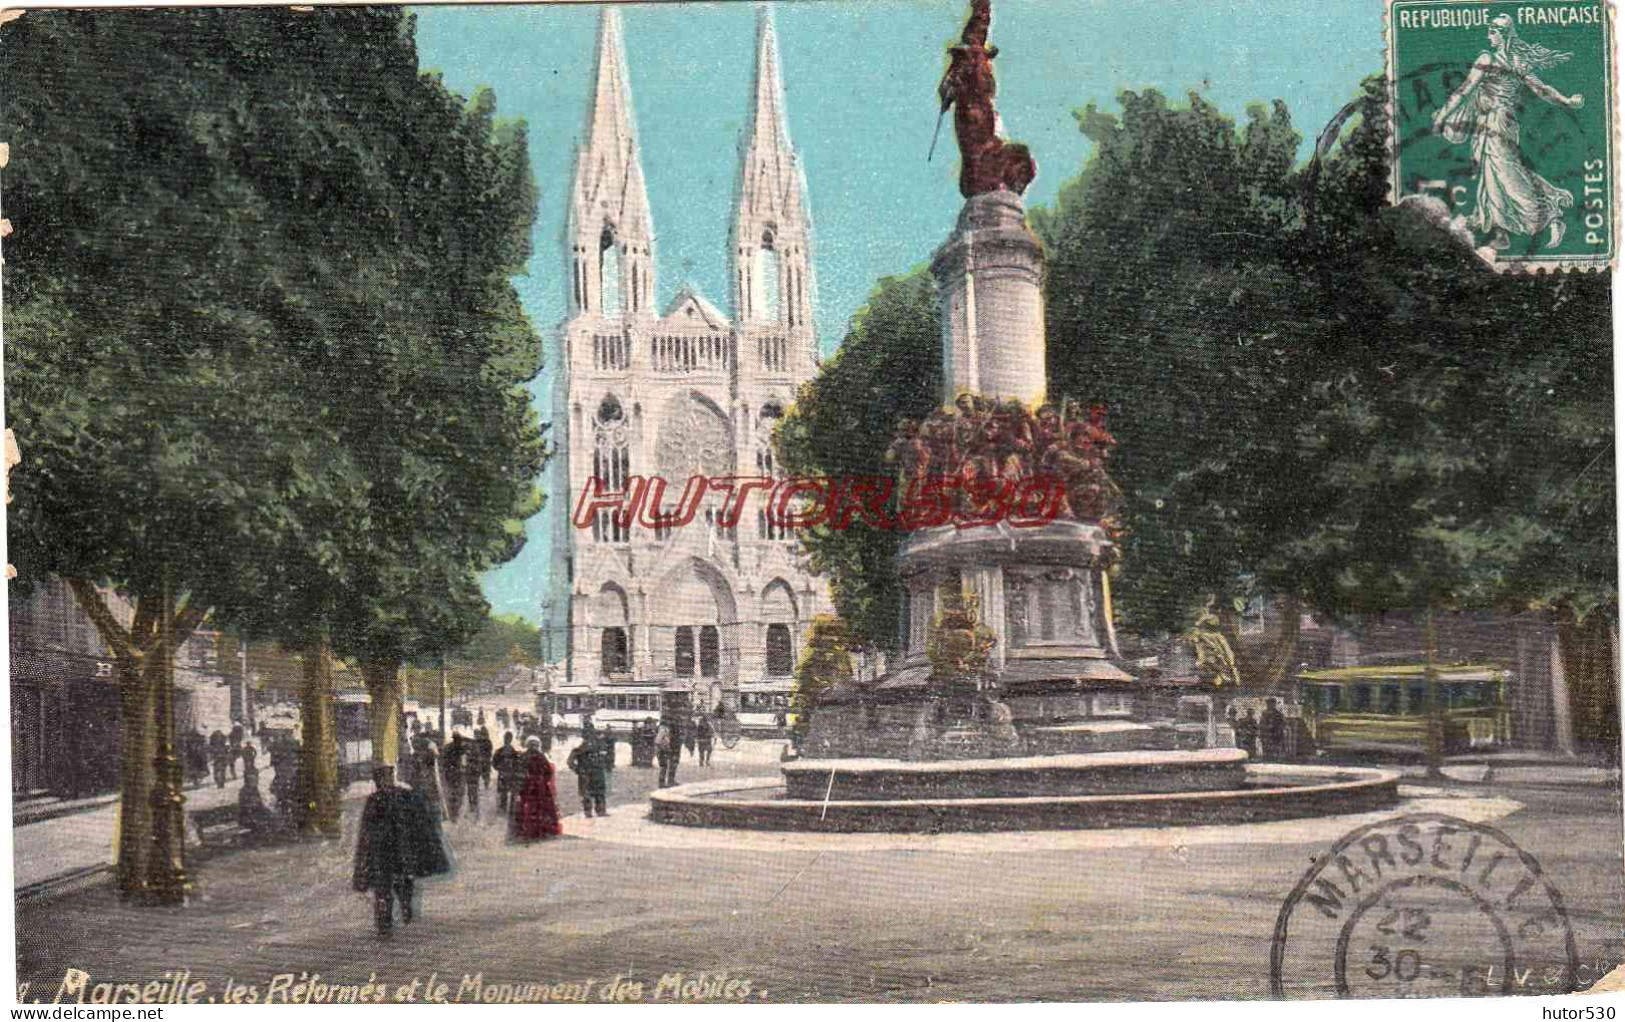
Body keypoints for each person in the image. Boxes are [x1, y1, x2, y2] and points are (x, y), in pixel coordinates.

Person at [1432, 13, 1584, 251]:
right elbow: (1543, 90)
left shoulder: (1489, 59)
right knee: (1493, 174)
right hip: (1496, 123)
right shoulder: (1517, 62)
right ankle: (1498, 230)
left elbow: (1464, 90)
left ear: (1502, 35)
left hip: (1497, 124)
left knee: (1507, 175)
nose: (1488, 36)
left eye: (1492, 32)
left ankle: (1551, 215)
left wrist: (1441, 116)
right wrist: (1566, 100)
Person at [352, 766, 452, 936]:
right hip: (385, 850)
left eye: (386, 778)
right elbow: (366, 830)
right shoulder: (381, 799)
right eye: (382, 779)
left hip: (396, 849)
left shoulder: (402, 796)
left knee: (401, 883)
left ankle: (402, 909)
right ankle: (385, 921)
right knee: (385, 887)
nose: (384, 782)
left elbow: (417, 819)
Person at [510, 737, 563, 843]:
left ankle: (526, 831)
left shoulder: (524, 756)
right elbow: (548, 771)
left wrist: (521, 784)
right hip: (540, 787)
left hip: (528, 786)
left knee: (527, 808)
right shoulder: (541, 757)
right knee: (542, 808)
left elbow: (518, 772)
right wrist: (543, 781)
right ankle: (540, 830)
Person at [566, 730, 608, 818]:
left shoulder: (582, 747)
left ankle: (593, 811)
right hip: (592, 773)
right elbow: (570, 761)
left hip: (590, 773)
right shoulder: (585, 747)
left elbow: (570, 762)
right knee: (593, 793)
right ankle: (597, 811)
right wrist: (578, 769)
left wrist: (578, 769)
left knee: (590, 793)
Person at [411, 734, 447, 822]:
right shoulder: (418, 755)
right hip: (427, 782)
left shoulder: (425, 755)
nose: (414, 746)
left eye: (416, 744)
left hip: (428, 782)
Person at [441, 732, 469, 822]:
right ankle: (454, 813)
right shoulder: (461, 748)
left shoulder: (447, 747)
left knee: (452, 793)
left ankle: (452, 813)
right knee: (458, 794)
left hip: (449, 774)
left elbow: (443, 761)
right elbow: (464, 763)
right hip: (457, 774)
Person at [492, 731, 521, 814]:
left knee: (504, 793)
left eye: (507, 738)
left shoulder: (500, 751)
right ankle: (508, 809)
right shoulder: (513, 752)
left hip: (504, 775)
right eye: (506, 738)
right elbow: (517, 765)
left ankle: (504, 808)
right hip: (509, 775)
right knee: (509, 793)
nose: (506, 740)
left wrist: (500, 768)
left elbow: (494, 763)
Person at [655, 718, 680, 789]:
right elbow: (658, 740)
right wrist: (664, 747)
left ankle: (662, 782)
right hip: (662, 749)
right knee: (663, 766)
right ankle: (661, 782)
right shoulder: (663, 729)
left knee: (664, 766)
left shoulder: (664, 729)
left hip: (663, 749)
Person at [473, 726, 494, 791]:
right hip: (485, 760)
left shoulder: (477, 741)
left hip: (480, 760)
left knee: (479, 773)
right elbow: (490, 751)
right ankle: (486, 785)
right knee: (486, 774)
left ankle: (479, 786)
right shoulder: (488, 741)